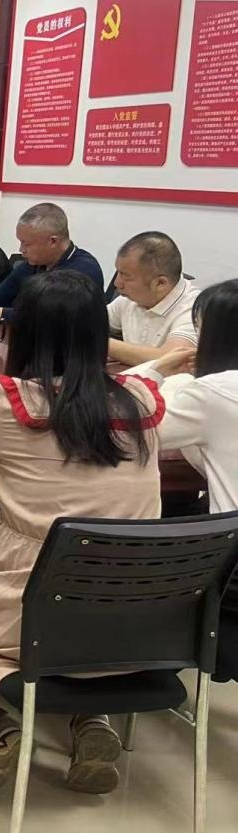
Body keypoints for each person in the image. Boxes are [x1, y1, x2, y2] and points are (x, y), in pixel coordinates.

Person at [0, 270, 163, 800]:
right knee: (64, 621)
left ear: (22, 334)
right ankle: (92, 720)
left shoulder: (12, 404)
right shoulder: (140, 402)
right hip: (140, 620)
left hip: (34, 607)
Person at [146, 280, 238, 681]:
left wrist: (162, 371)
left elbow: (128, 423)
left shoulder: (212, 392)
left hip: (230, 562)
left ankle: (133, 668)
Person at [0, 202, 102, 322]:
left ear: (53, 241)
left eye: (27, 244)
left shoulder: (83, 270)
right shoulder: (32, 265)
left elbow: (45, 318)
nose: (21, 250)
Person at [106, 231, 198, 366]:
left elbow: (172, 359)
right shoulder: (129, 299)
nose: (117, 283)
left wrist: (100, 343)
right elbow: (89, 322)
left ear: (160, 283)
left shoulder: (194, 309)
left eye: (125, 277)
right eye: (118, 273)